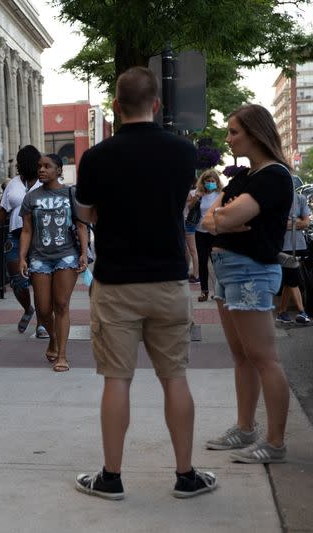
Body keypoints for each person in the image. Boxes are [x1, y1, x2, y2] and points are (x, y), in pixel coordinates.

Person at [74, 67, 216, 500]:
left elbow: (83, 214)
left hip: (116, 282)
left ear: (116, 107)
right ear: (156, 105)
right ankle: (185, 474)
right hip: (169, 279)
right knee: (175, 377)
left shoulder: (96, 157)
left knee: (117, 379)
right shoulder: (182, 153)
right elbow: (178, 206)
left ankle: (112, 478)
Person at [200, 104, 294, 465]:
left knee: (264, 358)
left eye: (234, 132)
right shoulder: (243, 178)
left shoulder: (274, 176)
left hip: (251, 269)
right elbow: (209, 218)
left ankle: (274, 442)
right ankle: (245, 428)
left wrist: (223, 219)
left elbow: (227, 216)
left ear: (255, 133)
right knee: (242, 356)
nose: (228, 138)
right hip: (226, 269)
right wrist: (222, 220)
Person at [18, 153, 88, 372]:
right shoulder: (31, 197)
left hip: (66, 255)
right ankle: (53, 339)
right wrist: (22, 257)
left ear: (59, 170)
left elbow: (81, 225)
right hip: (39, 258)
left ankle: (62, 355)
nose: (41, 170)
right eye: (39, 166)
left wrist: (84, 253)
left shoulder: (71, 193)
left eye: (47, 166)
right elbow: (27, 230)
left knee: (61, 304)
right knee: (43, 309)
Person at [0, 146, 43, 336]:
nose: (17, 165)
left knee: (40, 281)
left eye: (20, 161)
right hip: (15, 236)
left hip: (40, 238)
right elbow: (2, 210)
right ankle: (28, 308)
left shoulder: (43, 182)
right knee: (17, 281)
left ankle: (42, 323)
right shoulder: (14, 183)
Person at [275, 191, 312, 324]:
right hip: (283, 246)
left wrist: (289, 223)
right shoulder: (275, 198)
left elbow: (306, 222)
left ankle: (282, 312)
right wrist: (297, 221)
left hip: (299, 245)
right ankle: (302, 312)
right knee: (293, 277)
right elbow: (275, 224)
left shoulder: (300, 198)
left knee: (289, 279)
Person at [193, 170, 224, 302]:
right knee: (202, 262)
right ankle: (204, 291)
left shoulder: (220, 195)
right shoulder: (199, 194)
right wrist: (196, 198)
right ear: (203, 182)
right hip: (200, 232)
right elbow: (189, 208)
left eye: (212, 181)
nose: (210, 183)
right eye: (208, 181)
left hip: (214, 232)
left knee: (216, 262)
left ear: (217, 182)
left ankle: (219, 291)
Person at [183, 188, 201, 284]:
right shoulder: (193, 192)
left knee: (192, 250)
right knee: (187, 250)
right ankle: (188, 272)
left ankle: (196, 275)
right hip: (185, 222)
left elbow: (189, 206)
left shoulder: (192, 193)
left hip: (188, 222)